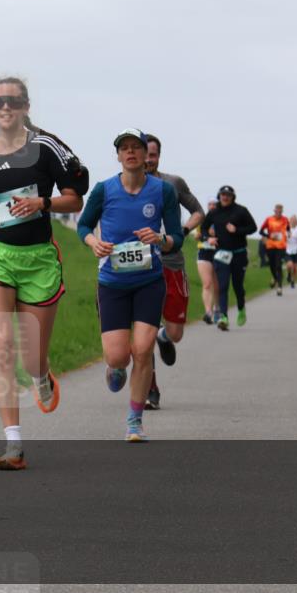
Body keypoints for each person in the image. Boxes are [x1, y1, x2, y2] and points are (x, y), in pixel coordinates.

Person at [0, 77, 88, 470]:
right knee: (2, 346)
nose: (5, 107)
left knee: (30, 358)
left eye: (13, 101)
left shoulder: (45, 148)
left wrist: (42, 202)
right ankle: (13, 445)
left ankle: (42, 375)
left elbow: (76, 195)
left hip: (38, 260)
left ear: (26, 106)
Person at [77, 128, 182, 442]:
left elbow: (176, 238)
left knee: (143, 349)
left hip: (149, 281)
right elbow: (83, 224)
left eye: (136, 147)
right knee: (118, 356)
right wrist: (93, 241)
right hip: (112, 282)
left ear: (145, 153)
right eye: (125, 148)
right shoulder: (103, 190)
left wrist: (160, 239)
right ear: (118, 155)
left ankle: (135, 422)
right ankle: (115, 366)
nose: (131, 152)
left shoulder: (163, 191)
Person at [142, 133, 204, 410]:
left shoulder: (173, 183)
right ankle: (150, 389)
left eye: (151, 155)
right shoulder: (124, 186)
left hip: (172, 263)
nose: (146, 160)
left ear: (158, 156)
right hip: (140, 265)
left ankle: (164, 337)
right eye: (142, 154)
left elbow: (198, 211)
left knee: (176, 331)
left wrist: (183, 231)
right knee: (144, 329)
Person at [201, 185, 257, 331]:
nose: (225, 197)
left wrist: (237, 230)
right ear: (219, 196)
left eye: (228, 195)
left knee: (238, 286)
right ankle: (223, 316)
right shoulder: (213, 212)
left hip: (239, 253)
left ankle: (241, 307)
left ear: (232, 197)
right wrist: (209, 238)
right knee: (223, 285)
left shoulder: (241, 211)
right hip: (221, 253)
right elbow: (203, 228)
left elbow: (253, 228)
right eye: (222, 194)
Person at [194, 200, 220, 323]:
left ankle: (217, 309)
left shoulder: (221, 219)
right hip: (204, 251)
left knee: (217, 285)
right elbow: (196, 235)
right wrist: (204, 236)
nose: (212, 206)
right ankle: (208, 312)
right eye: (210, 204)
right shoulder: (203, 219)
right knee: (207, 284)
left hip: (218, 252)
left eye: (214, 204)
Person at [259, 204, 290, 296]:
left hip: (281, 246)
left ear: (282, 212)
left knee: (278, 265)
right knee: (272, 266)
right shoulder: (269, 219)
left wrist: (288, 234)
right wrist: (269, 236)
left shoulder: (285, 219)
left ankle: (279, 287)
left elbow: (288, 229)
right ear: (274, 211)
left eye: (280, 211)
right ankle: (275, 278)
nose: (279, 213)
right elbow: (261, 231)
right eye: (277, 211)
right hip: (271, 246)